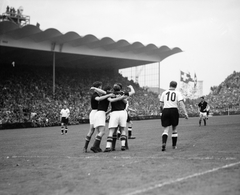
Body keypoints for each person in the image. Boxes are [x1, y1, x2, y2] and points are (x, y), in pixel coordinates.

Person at [104, 84, 135, 152]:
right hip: (122, 113)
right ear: (120, 89)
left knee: (111, 130)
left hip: (114, 113)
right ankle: (123, 146)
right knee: (123, 129)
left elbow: (105, 94)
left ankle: (108, 147)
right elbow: (132, 92)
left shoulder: (110, 94)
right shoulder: (123, 93)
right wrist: (131, 87)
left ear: (113, 89)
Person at [159, 81, 188, 152]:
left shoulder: (164, 93)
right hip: (174, 110)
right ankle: (174, 145)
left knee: (165, 129)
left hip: (165, 110)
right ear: (176, 86)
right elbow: (181, 103)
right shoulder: (177, 93)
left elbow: (160, 104)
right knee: (174, 128)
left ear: (169, 85)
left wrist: (161, 112)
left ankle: (164, 143)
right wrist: (185, 112)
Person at [90, 86, 115, 153]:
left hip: (98, 113)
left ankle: (97, 147)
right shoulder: (107, 95)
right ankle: (94, 146)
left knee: (99, 132)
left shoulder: (105, 95)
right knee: (102, 132)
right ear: (108, 90)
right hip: (100, 114)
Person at [83, 81, 106, 153]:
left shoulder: (98, 94)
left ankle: (96, 147)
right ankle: (87, 147)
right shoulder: (95, 95)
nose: (101, 88)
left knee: (97, 131)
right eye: (101, 87)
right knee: (92, 130)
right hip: (95, 113)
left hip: (96, 112)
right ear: (98, 87)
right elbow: (98, 99)